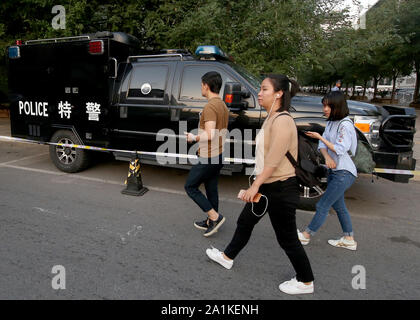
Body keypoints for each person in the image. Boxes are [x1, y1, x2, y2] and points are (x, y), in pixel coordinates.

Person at [205, 74, 315, 295]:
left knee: (287, 239)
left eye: (264, 89)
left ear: (279, 93)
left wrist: (255, 186)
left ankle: (305, 281)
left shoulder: (283, 120)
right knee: (245, 222)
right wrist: (258, 185)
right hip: (268, 187)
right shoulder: (271, 118)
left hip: (281, 189)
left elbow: (274, 160)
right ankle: (227, 257)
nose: (260, 93)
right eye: (260, 89)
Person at [297, 91, 358, 251]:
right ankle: (349, 238)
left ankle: (306, 235)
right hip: (335, 171)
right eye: (324, 105)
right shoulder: (332, 122)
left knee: (322, 205)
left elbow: (340, 148)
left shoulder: (345, 125)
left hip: (344, 173)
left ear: (337, 106)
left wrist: (320, 137)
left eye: (328, 106)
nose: (324, 109)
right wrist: (327, 158)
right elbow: (323, 147)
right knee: (339, 207)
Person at [184, 71, 229, 237]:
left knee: (190, 186)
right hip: (218, 154)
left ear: (207, 85)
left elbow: (210, 134)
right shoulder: (222, 105)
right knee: (211, 189)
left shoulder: (210, 106)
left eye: (202, 84)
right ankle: (211, 222)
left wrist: (193, 137)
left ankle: (215, 216)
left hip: (209, 156)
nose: (201, 87)